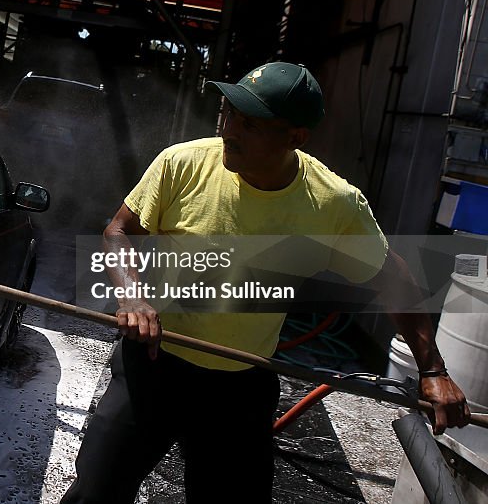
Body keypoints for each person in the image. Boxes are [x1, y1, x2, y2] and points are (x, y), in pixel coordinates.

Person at [60, 62, 471, 503]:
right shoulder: (183, 164)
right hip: (153, 365)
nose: (230, 130)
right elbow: (118, 231)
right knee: (95, 495)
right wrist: (133, 295)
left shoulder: (333, 205)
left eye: (250, 123)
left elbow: (396, 279)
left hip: (239, 383)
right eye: (230, 113)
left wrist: (433, 370)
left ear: (295, 138)